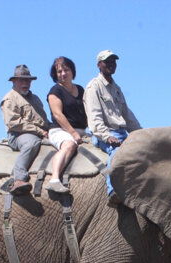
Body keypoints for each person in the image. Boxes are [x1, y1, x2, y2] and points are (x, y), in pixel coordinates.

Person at [84, 50, 141, 205]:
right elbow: (94, 117)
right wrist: (107, 136)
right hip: (105, 134)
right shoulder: (93, 87)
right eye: (107, 61)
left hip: (122, 133)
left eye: (113, 61)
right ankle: (112, 190)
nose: (111, 64)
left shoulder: (116, 89)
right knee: (117, 154)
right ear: (99, 65)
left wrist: (142, 135)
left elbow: (127, 116)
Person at [0, 64, 50, 195]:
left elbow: (43, 120)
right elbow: (13, 123)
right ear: (14, 81)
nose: (25, 83)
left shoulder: (35, 99)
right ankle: (19, 178)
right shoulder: (10, 99)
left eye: (27, 80)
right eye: (21, 80)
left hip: (41, 132)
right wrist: (39, 131)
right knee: (31, 143)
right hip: (19, 135)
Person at [45, 57, 88, 193]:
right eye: (59, 71)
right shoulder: (55, 91)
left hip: (81, 131)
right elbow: (58, 115)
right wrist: (73, 134)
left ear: (72, 71)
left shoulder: (81, 90)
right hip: (60, 130)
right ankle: (54, 179)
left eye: (66, 70)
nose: (63, 74)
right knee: (69, 144)